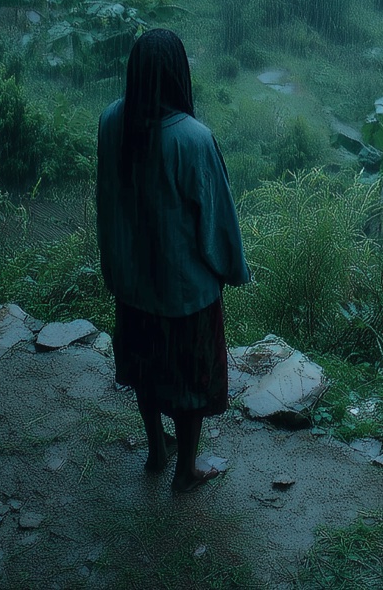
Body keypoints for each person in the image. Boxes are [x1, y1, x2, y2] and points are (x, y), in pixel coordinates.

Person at [97, 29, 250, 492]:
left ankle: (155, 451)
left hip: (133, 282)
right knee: (190, 383)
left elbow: (107, 198)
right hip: (184, 292)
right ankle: (186, 469)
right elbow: (217, 220)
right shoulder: (192, 139)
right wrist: (229, 269)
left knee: (145, 368)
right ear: (178, 74)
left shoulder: (111, 121)